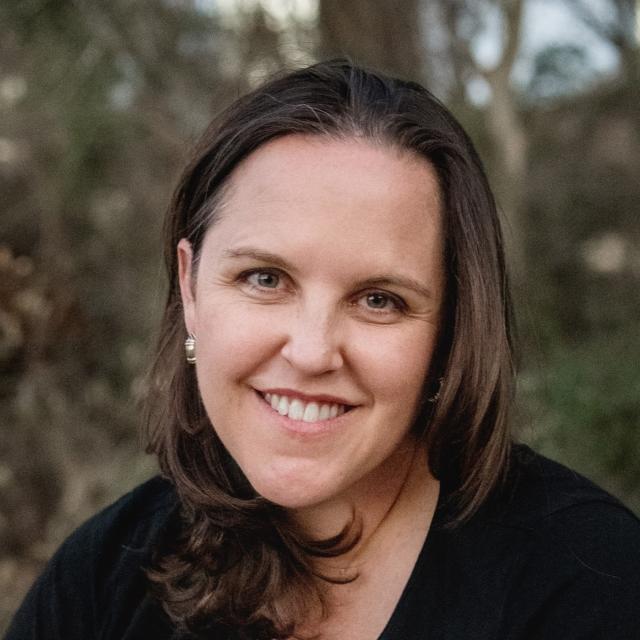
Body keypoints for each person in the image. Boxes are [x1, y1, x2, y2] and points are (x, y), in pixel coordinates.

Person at [6, 59, 640, 640]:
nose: (311, 353)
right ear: (189, 286)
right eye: (265, 279)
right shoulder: (105, 580)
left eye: (379, 300)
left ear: (450, 330)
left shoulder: (590, 587)